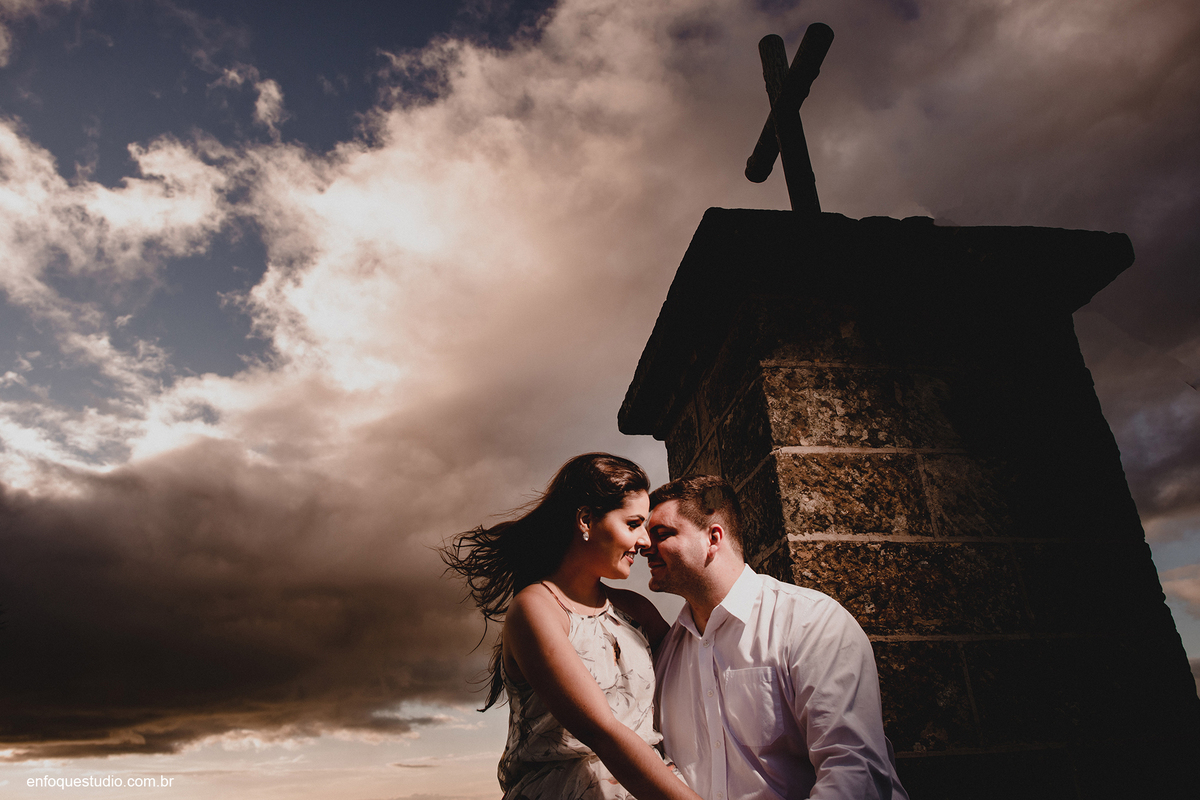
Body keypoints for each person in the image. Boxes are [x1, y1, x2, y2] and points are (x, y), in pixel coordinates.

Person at [440, 453, 702, 800]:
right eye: (633, 524)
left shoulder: (637, 610)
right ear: (586, 520)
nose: (645, 542)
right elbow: (601, 731)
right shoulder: (535, 610)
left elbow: (695, 688)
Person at [645, 475, 909, 800]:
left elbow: (854, 771)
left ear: (713, 537)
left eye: (661, 534)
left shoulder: (810, 621)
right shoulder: (666, 655)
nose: (645, 547)